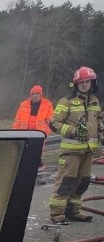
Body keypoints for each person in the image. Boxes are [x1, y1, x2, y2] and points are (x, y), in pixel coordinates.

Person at [47, 67, 102, 224]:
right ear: (76, 84)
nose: (85, 85)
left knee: (82, 182)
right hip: (71, 152)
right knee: (66, 182)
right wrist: (73, 131)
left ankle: (73, 211)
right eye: (81, 82)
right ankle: (57, 214)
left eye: (88, 82)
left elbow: (97, 122)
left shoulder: (94, 101)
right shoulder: (67, 101)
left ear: (92, 83)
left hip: (88, 152)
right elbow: (54, 123)